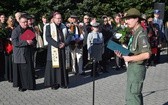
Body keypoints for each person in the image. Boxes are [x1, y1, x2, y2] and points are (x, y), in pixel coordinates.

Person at [114, 8, 151, 105]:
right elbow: (135, 52)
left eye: (129, 19)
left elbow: (147, 54)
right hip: (133, 69)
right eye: (126, 19)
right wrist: (122, 55)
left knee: (133, 97)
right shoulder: (135, 33)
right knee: (133, 95)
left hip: (137, 69)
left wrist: (129, 58)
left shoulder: (141, 34)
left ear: (136, 19)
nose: (126, 21)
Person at [44, 12, 70, 89]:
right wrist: (57, 44)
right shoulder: (49, 27)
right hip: (54, 49)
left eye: (60, 18)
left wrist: (65, 43)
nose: (59, 20)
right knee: (54, 67)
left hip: (62, 49)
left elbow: (69, 36)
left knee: (62, 67)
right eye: (58, 18)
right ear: (53, 19)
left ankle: (62, 83)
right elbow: (48, 38)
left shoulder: (63, 26)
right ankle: (55, 84)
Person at [11, 15, 36, 92]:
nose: (25, 23)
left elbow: (34, 40)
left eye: (26, 22)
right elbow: (15, 42)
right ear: (19, 22)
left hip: (28, 52)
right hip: (20, 54)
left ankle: (30, 85)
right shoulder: (15, 31)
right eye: (23, 22)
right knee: (21, 71)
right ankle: (22, 86)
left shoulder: (30, 29)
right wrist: (26, 42)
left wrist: (32, 42)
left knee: (29, 69)